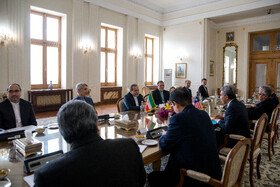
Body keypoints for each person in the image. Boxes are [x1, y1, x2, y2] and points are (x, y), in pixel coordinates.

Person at [34, 100, 146, 187]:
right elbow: (141, 181)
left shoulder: (47, 175)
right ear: (96, 124)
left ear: (63, 132)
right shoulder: (129, 146)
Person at [148, 87, 221, 187]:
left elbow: (164, 145)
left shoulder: (178, 119)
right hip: (213, 172)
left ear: (175, 104)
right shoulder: (203, 114)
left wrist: (164, 135)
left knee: (152, 177)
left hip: (193, 178)